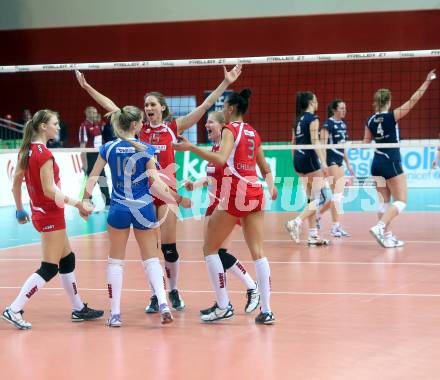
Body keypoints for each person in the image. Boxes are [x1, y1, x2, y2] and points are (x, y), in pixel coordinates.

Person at [75, 65, 242, 313]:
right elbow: (111, 107)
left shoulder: (172, 128)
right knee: (150, 252)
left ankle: (173, 290)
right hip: (143, 195)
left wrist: (225, 83)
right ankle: (157, 294)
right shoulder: (136, 129)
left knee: (169, 249)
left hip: (166, 194)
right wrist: (87, 87)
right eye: (146, 105)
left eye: (153, 104)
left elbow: (204, 107)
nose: (149, 108)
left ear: (162, 108)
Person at [174, 88, 277, 325]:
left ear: (231, 109)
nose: (221, 112)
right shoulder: (253, 132)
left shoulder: (230, 129)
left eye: (223, 109)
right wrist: (270, 187)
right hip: (255, 191)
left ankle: (223, 306)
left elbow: (221, 159)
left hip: (234, 193)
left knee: (210, 249)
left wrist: (191, 148)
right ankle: (267, 310)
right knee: (258, 253)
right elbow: (265, 168)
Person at [82, 105, 191, 327]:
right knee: (151, 259)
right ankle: (163, 304)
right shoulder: (146, 148)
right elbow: (157, 183)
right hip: (143, 208)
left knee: (115, 262)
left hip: (119, 208)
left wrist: (85, 200)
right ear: (134, 125)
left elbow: (93, 176)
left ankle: (115, 314)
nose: (143, 124)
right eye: (140, 122)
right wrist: (179, 199)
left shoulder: (109, 147)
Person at [2, 109, 103, 330]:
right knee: (49, 268)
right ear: (43, 127)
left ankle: (78, 308)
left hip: (40, 212)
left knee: (67, 260)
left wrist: (19, 209)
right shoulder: (43, 154)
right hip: (49, 214)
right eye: (55, 124)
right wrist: (78, 204)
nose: (59, 127)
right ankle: (14, 308)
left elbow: (16, 182)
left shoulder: (26, 151)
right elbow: (49, 190)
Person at [184, 111, 260, 315]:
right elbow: (212, 177)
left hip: (228, 204)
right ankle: (223, 301)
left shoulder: (227, 151)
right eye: (206, 122)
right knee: (211, 253)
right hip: (213, 204)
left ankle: (251, 287)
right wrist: (196, 183)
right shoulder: (215, 150)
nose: (206, 125)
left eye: (210, 122)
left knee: (217, 253)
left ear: (222, 127)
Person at [365, 69, 436, 248]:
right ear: (388, 101)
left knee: (383, 204)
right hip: (391, 162)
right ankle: (381, 227)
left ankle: (387, 237)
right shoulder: (392, 116)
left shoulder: (370, 120)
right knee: (402, 201)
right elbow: (413, 100)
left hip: (376, 164)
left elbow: (366, 143)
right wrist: (427, 81)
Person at [285, 92, 330, 246]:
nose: (317, 103)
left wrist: (295, 164)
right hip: (310, 160)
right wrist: (324, 163)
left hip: (298, 159)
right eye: (316, 100)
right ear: (311, 102)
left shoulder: (297, 120)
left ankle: (313, 235)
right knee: (322, 197)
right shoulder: (313, 119)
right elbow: (315, 140)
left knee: (312, 199)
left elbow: (292, 143)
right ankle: (295, 222)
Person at [318, 100, 355, 237]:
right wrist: (324, 164)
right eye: (341, 108)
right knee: (337, 194)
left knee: (337, 195)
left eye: (345, 108)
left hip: (339, 161)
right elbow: (322, 146)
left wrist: (349, 164)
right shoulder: (327, 124)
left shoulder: (343, 125)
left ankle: (318, 215)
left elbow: (343, 146)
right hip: (331, 161)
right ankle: (335, 227)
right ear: (334, 110)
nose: (344, 110)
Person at [79, 106, 110, 207]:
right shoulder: (84, 126)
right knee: (91, 178)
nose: (94, 114)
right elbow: (82, 146)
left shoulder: (99, 124)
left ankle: (108, 201)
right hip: (90, 155)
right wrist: (84, 163)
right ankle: (87, 200)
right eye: (92, 112)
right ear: (86, 113)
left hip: (99, 155)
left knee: (102, 177)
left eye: (95, 112)